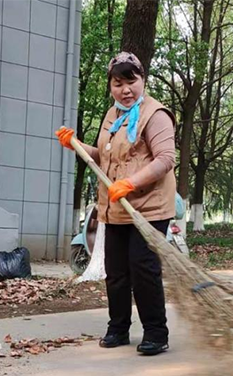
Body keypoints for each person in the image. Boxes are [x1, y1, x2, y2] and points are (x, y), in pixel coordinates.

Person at [55, 52, 177, 356]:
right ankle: (118, 328)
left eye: (131, 81)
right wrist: (76, 145)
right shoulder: (113, 115)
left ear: (142, 79)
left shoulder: (155, 114)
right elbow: (104, 157)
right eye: (118, 83)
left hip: (149, 208)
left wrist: (131, 183)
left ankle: (156, 332)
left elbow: (165, 159)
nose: (125, 90)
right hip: (116, 208)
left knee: (142, 268)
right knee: (117, 270)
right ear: (111, 86)